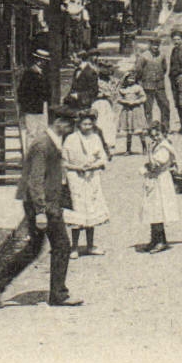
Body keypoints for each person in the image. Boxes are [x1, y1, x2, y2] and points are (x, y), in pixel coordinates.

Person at [0, 107, 81, 307]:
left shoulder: (51, 142)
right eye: (70, 124)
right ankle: (59, 295)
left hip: (46, 203)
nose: (72, 128)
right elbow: (35, 181)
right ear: (59, 122)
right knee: (62, 245)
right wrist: (40, 212)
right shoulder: (42, 144)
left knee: (34, 248)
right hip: (44, 205)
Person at [62, 106, 111, 257]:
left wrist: (94, 165)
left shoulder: (96, 138)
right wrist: (77, 167)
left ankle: (90, 245)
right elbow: (63, 161)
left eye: (90, 124)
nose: (87, 127)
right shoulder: (71, 139)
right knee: (77, 213)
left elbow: (103, 158)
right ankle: (74, 247)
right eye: (84, 124)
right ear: (79, 125)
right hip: (76, 178)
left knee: (92, 210)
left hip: (91, 178)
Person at [138, 124, 180, 253]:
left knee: (158, 209)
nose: (155, 137)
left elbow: (155, 165)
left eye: (158, 135)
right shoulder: (157, 145)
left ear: (164, 133)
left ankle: (161, 241)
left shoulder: (164, 148)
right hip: (155, 180)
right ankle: (154, 239)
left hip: (161, 180)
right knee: (152, 209)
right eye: (153, 135)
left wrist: (150, 154)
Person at [134, 37, 170, 131]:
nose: (155, 47)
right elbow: (138, 70)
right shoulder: (143, 56)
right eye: (154, 45)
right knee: (148, 107)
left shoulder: (162, 55)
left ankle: (165, 126)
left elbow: (164, 68)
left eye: (157, 45)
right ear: (150, 45)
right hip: (147, 85)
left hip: (159, 85)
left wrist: (159, 77)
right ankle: (148, 127)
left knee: (165, 105)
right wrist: (142, 80)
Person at [17, 47, 52, 143]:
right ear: (38, 60)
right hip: (32, 108)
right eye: (42, 61)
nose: (44, 63)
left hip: (42, 106)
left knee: (42, 132)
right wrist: (25, 106)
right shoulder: (29, 73)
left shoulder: (44, 73)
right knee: (31, 132)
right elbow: (22, 92)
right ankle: (30, 155)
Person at [116, 71, 148, 155]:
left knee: (139, 129)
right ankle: (128, 149)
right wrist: (125, 101)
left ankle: (144, 147)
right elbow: (118, 98)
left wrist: (136, 101)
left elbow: (144, 97)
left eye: (133, 79)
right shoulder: (124, 89)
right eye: (129, 79)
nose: (131, 80)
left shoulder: (138, 87)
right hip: (127, 110)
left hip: (136, 110)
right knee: (128, 131)